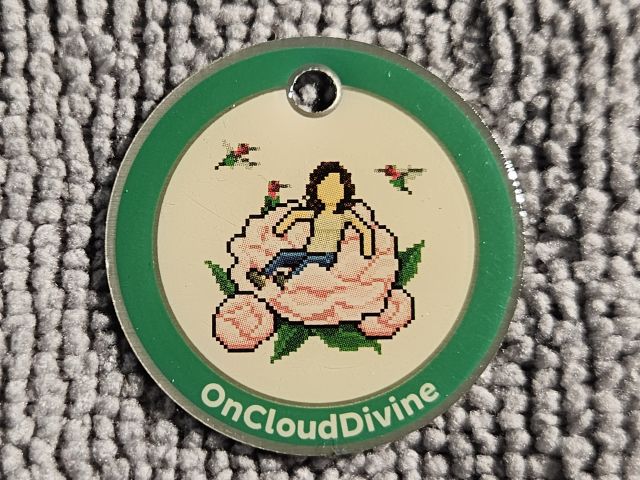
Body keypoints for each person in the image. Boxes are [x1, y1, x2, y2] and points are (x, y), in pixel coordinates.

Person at [248, 162, 374, 288]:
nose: (330, 192)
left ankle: (289, 281)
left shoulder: (344, 215)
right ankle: (263, 275)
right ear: (316, 190)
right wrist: (281, 227)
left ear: (344, 190)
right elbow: (296, 215)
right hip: (309, 252)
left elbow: (365, 230)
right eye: (324, 187)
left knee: (306, 262)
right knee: (284, 255)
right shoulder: (316, 213)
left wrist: (367, 254)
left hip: (327, 257)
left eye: (335, 187)